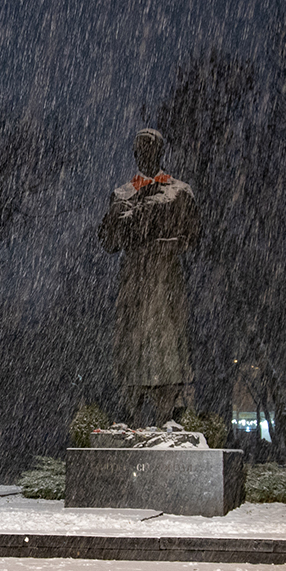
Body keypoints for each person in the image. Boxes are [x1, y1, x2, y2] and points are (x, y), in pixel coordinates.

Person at [98, 128, 201, 428]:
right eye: (139, 149)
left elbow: (193, 236)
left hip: (165, 276)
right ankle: (131, 416)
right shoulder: (122, 194)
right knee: (133, 342)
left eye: (150, 148)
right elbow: (107, 242)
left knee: (166, 341)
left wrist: (162, 238)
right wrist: (122, 219)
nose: (144, 153)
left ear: (160, 152)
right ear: (134, 154)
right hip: (134, 278)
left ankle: (166, 417)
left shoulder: (179, 191)